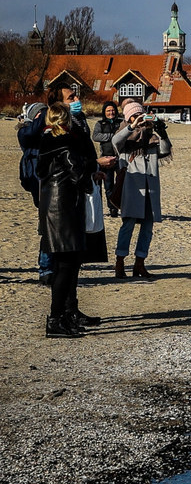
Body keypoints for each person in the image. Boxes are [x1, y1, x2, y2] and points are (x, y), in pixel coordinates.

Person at [38, 102, 99, 337]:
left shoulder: (48, 142)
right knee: (67, 265)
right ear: (65, 119)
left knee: (67, 263)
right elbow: (77, 173)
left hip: (54, 206)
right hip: (63, 207)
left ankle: (63, 315)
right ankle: (55, 318)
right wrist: (95, 165)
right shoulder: (64, 142)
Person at [112, 99, 172, 279]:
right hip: (132, 188)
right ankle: (120, 261)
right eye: (136, 115)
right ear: (129, 117)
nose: (140, 119)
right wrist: (132, 127)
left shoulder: (151, 137)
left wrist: (160, 130)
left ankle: (140, 263)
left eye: (141, 115)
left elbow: (166, 150)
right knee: (128, 225)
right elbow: (115, 141)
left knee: (147, 227)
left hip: (150, 188)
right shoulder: (124, 138)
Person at [92, 102, 123, 217]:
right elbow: (95, 136)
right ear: (104, 112)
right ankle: (112, 208)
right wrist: (112, 136)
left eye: (113, 110)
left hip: (120, 157)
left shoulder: (121, 122)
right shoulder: (100, 123)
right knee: (108, 185)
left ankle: (121, 205)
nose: (111, 113)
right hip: (106, 157)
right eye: (108, 111)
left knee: (120, 184)